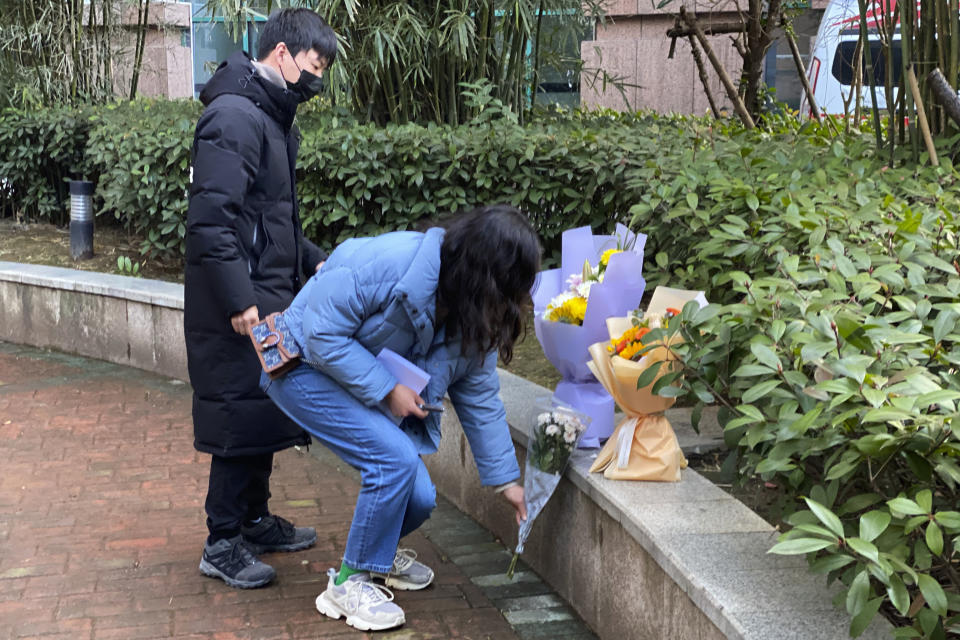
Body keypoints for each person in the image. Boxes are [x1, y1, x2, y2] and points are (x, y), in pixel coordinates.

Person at [262, 205, 536, 631]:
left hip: (350, 380)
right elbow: (319, 333)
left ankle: (378, 556)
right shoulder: (392, 263)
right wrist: (389, 390)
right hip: (299, 364)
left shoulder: (473, 314)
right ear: (486, 276)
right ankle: (349, 583)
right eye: (511, 290)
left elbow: (481, 398)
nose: (515, 304)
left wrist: (508, 482)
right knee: (394, 461)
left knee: (420, 498)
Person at [183, 8, 337, 589]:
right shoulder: (235, 118)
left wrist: (312, 257)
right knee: (237, 411)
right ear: (282, 56)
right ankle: (222, 539)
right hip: (237, 303)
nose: (316, 78)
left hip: (266, 293)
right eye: (314, 66)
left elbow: (273, 220)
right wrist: (239, 298)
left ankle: (253, 518)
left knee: (261, 408)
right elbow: (211, 223)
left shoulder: (272, 120)